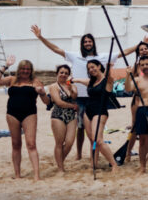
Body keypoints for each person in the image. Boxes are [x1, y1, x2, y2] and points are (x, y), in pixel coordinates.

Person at [31, 25, 99, 158]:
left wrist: (140, 45)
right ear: (82, 44)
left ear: (93, 43)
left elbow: (120, 54)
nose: (87, 43)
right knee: (80, 128)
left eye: (89, 41)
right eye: (85, 41)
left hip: (93, 97)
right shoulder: (75, 56)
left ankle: (93, 156)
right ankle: (79, 154)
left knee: (93, 131)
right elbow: (56, 49)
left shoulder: (100, 57)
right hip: (78, 98)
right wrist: (40, 37)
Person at [0, 57, 45, 181]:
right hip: (12, 114)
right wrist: (6, 66)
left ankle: (36, 175)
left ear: (31, 71)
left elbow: (46, 102)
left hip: (29, 114)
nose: (25, 71)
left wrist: (42, 93)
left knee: (31, 144)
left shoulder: (36, 82)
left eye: (28, 69)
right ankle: (17, 174)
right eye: (23, 69)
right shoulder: (12, 80)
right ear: (19, 70)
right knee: (16, 144)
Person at [75, 58, 120, 174]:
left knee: (98, 140)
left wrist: (109, 68)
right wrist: (72, 80)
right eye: (89, 68)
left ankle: (114, 164)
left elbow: (109, 78)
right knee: (92, 140)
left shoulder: (106, 81)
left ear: (99, 66)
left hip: (100, 112)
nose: (91, 69)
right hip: (88, 111)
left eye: (93, 67)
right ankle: (93, 164)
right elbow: (81, 80)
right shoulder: (91, 81)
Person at [46, 63, 80, 173]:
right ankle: (61, 168)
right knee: (59, 143)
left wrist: (71, 89)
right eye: (61, 72)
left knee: (70, 142)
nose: (63, 75)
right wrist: (73, 106)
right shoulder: (53, 86)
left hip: (71, 116)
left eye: (66, 73)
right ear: (57, 74)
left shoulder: (71, 85)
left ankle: (59, 160)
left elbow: (74, 97)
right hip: (58, 115)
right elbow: (59, 102)